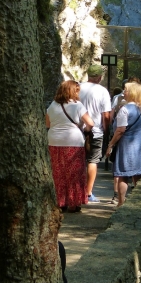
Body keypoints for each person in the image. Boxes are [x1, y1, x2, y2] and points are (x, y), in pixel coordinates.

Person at [46, 80, 94, 213]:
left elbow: (48, 124)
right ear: (72, 91)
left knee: (58, 172)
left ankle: (61, 201)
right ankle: (74, 202)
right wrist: (85, 129)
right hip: (73, 141)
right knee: (74, 173)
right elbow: (90, 123)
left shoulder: (52, 105)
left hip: (54, 141)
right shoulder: (77, 106)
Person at [106, 82, 141, 207]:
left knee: (122, 174)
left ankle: (121, 202)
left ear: (133, 93)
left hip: (127, 145)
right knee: (137, 174)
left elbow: (120, 130)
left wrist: (110, 145)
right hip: (140, 146)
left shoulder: (125, 110)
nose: (124, 92)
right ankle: (139, 202)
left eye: (126, 90)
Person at [79, 64, 112, 204]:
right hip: (96, 131)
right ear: (99, 77)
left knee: (79, 160)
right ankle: (88, 193)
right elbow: (106, 115)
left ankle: (77, 191)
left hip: (78, 130)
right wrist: (106, 129)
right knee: (92, 161)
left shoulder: (78, 87)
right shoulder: (103, 91)